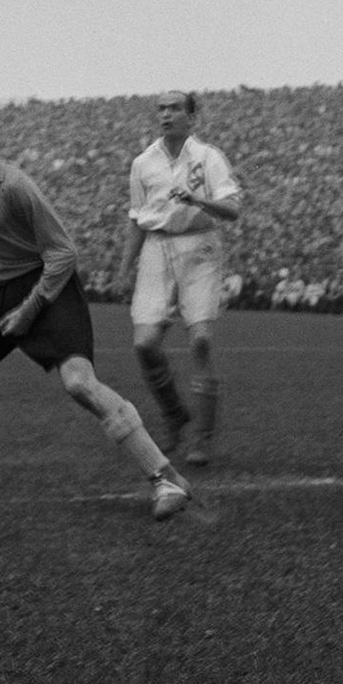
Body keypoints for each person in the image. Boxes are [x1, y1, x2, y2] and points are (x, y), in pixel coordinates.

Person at [0, 103, 195, 522]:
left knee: (79, 384)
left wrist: (29, 310)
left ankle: (167, 478)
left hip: (50, 288)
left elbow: (64, 254)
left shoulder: (14, 185)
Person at [117, 91, 241, 465]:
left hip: (200, 247)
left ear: (192, 117)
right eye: (162, 109)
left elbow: (232, 209)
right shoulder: (143, 163)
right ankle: (174, 413)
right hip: (157, 248)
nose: (166, 115)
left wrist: (198, 201)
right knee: (145, 344)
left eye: (174, 109)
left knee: (200, 340)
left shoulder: (209, 157)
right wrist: (125, 268)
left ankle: (202, 440)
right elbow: (137, 219)